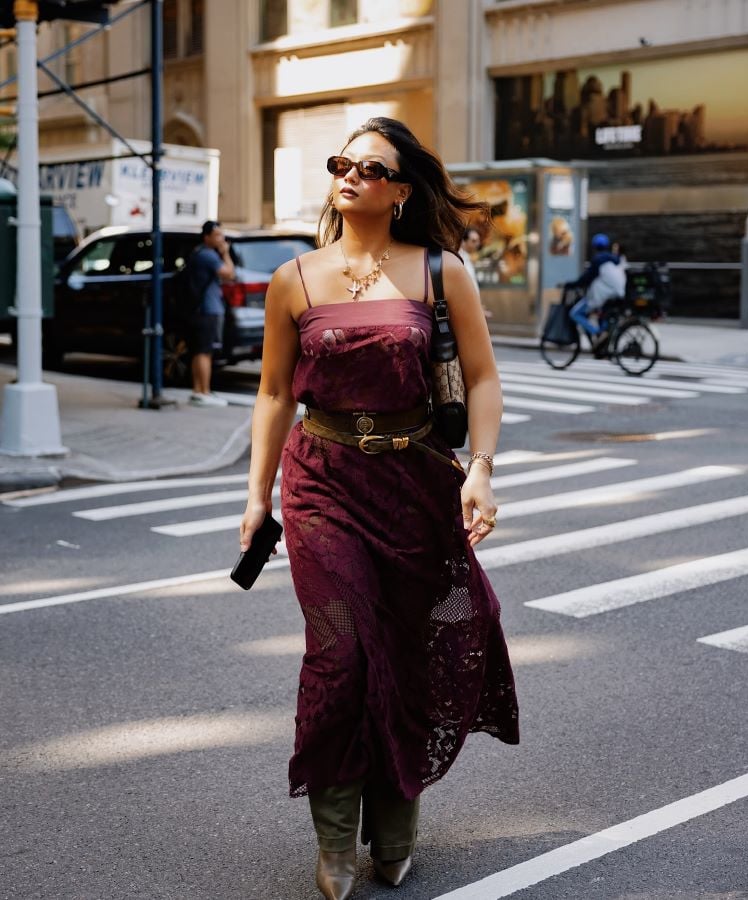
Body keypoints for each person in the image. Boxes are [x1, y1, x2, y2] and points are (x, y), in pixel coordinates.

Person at [238, 118, 518, 900]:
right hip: (323, 483)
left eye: (370, 166)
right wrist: (257, 497)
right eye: (341, 163)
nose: (350, 174)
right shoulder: (294, 277)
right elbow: (269, 394)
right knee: (341, 654)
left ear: (400, 190)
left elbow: (485, 379)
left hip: (417, 486)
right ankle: (334, 840)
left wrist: (482, 472)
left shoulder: (441, 272)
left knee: (406, 649)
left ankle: (395, 823)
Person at [186, 220, 236, 407]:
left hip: (201, 309)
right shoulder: (208, 255)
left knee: (200, 350)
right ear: (206, 237)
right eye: (217, 235)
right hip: (207, 309)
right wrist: (225, 253)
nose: (221, 239)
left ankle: (198, 390)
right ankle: (203, 392)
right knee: (204, 352)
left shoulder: (199, 253)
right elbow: (229, 274)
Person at [568, 232, 626, 344]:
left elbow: (587, 278)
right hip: (618, 293)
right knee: (603, 314)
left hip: (604, 294)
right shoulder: (614, 259)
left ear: (594, 247)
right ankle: (604, 343)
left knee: (575, 313)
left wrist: (572, 284)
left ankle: (597, 332)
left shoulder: (598, 259)